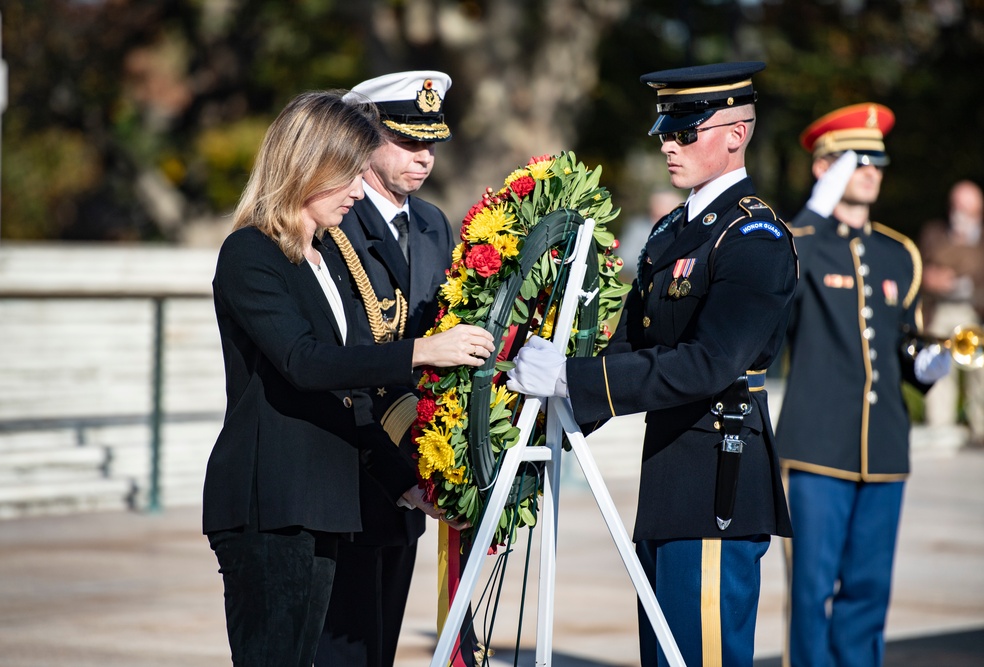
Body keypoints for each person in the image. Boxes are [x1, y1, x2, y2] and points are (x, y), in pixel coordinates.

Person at [506, 61, 797, 667]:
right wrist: (540, 422)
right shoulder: (671, 229)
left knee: (702, 657)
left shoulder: (755, 237)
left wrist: (571, 379)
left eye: (686, 131)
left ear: (736, 134)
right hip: (667, 480)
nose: (669, 142)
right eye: (666, 129)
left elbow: (709, 364)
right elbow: (630, 347)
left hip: (718, 479)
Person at [202, 90, 494, 667]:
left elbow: (348, 396)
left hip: (325, 502)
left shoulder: (326, 259)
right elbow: (305, 363)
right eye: (347, 177)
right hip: (273, 503)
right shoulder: (250, 253)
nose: (359, 192)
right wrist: (423, 350)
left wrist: (401, 480)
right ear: (307, 168)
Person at [775, 103, 951, 667]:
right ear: (823, 168)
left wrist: (923, 362)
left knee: (869, 594)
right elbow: (777, 296)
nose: (873, 171)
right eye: (858, 160)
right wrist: (808, 218)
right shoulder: (796, 242)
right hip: (817, 447)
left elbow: (899, 337)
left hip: (885, 448)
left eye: (879, 161)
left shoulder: (899, 254)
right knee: (811, 594)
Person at [314, 70, 458, 667]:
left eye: (430, 143)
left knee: (383, 642)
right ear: (365, 135)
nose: (422, 158)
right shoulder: (334, 219)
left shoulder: (431, 223)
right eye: (406, 141)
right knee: (344, 645)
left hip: (412, 455)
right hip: (351, 459)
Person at [918, 179, 984, 446]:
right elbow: (918, 267)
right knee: (939, 368)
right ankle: (940, 429)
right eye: (957, 206)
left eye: (968, 208)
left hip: (974, 311)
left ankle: (980, 430)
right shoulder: (935, 232)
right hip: (940, 310)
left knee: (980, 374)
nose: (961, 213)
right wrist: (931, 278)